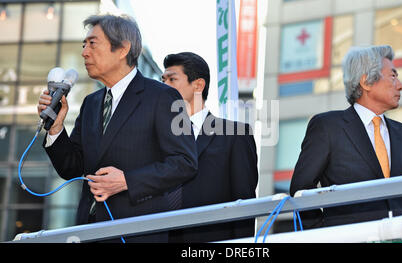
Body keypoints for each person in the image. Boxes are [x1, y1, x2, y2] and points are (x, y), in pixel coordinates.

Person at [37, 15, 197, 242]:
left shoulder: (165, 96)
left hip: (137, 233)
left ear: (123, 49)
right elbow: (71, 168)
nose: (84, 52)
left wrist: (127, 181)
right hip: (88, 231)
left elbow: (185, 162)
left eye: (92, 43)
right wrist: (56, 127)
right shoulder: (91, 103)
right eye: (84, 45)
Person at [289, 45, 402, 229]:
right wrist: (325, 235)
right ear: (366, 82)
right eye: (393, 76)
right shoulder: (328, 127)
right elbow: (301, 191)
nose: (400, 86)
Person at [161, 52, 258, 242]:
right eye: (162, 79)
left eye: (172, 79)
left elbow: (243, 204)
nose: (164, 85)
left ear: (198, 85)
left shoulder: (235, 135)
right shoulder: (156, 135)